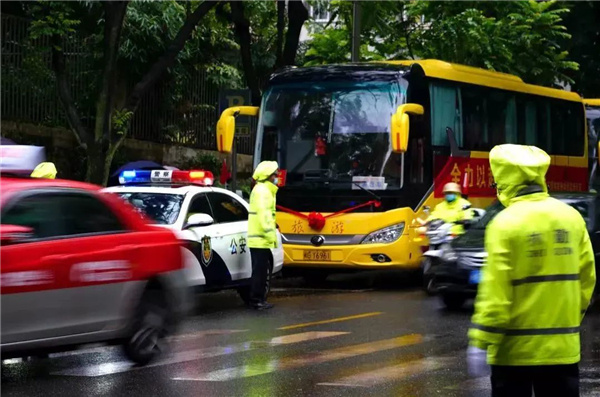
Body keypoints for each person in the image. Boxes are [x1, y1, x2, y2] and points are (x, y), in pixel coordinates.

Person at [467, 144, 596, 397]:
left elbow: (496, 294)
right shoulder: (571, 218)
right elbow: (587, 280)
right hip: (562, 351)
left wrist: (481, 340)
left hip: (513, 355)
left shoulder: (504, 224)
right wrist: (565, 323)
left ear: (505, 180)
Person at [247, 161, 280, 310]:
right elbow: (264, 215)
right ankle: (257, 300)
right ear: (268, 176)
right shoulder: (263, 191)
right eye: (275, 174)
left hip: (259, 239)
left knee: (261, 271)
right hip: (261, 238)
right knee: (260, 272)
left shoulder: (262, 190)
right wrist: (269, 232)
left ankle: (258, 298)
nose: (277, 177)